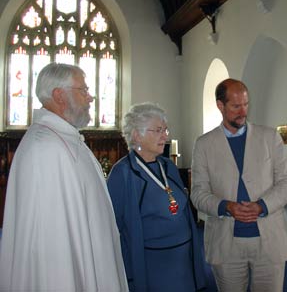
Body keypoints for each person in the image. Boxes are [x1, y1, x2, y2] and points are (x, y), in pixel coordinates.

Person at [0, 63, 128, 291]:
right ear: (59, 95)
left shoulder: (66, 138)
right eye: (84, 90)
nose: (91, 98)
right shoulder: (45, 148)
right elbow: (51, 244)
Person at [191, 78, 287, 292]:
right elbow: (198, 193)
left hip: (268, 241)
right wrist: (225, 206)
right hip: (226, 243)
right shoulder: (204, 144)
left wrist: (262, 205)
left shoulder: (269, 137)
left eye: (246, 104)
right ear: (220, 106)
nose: (243, 111)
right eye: (236, 106)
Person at [107, 102, 206, 292]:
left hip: (183, 260)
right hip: (153, 264)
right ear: (137, 134)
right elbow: (113, 228)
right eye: (158, 130)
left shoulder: (167, 165)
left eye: (165, 130)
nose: (165, 136)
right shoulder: (123, 173)